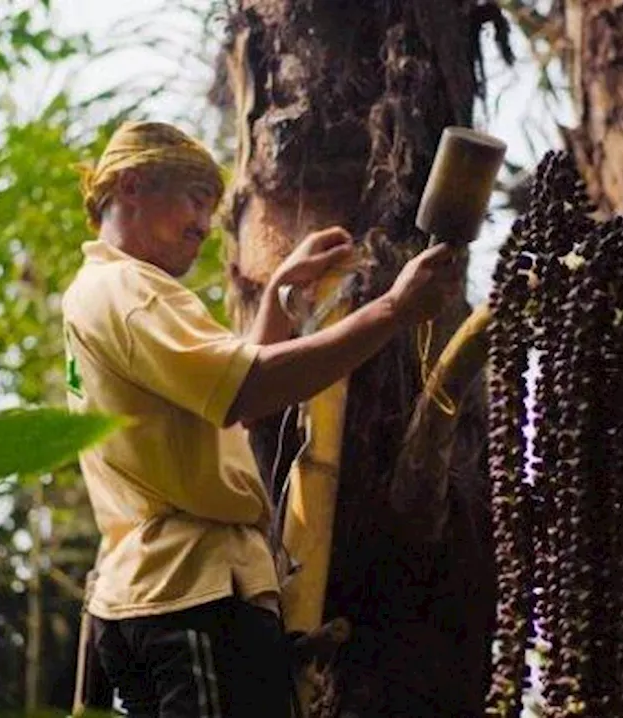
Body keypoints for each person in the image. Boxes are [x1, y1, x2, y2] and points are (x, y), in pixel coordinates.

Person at [63, 120, 461, 717]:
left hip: (157, 595)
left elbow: (228, 403)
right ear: (133, 185)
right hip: (189, 593)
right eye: (194, 199)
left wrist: (278, 289)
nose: (203, 224)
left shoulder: (107, 293)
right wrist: (393, 310)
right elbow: (249, 389)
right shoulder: (131, 290)